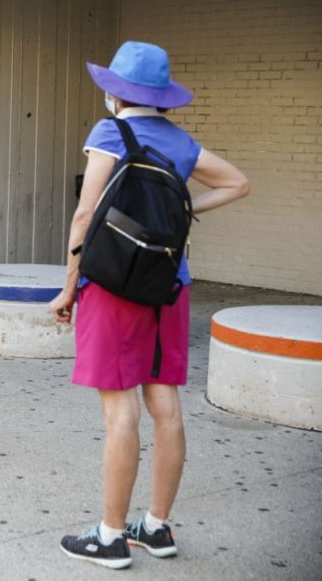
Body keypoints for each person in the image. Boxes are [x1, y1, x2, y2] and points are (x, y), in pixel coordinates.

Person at [50, 41, 250, 569]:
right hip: (169, 287)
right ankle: (156, 528)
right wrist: (187, 211)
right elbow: (238, 183)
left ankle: (111, 536)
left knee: (120, 412)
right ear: (161, 97)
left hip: (113, 287)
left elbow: (85, 216)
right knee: (165, 408)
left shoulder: (109, 133)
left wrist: (69, 287)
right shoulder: (182, 142)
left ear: (116, 91)